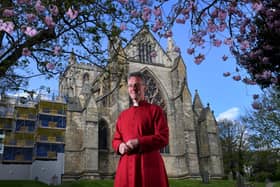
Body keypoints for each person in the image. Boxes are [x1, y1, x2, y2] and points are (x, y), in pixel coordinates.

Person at [112, 71, 169, 187]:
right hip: (126, 167)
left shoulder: (155, 110)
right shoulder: (123, 115)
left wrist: (138, 142)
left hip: (148, 166)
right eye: (130, 85)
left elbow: (163, 138)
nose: (133, 88)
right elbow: (116, 139)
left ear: (144, 88)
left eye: (137, 85)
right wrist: (120, 146)